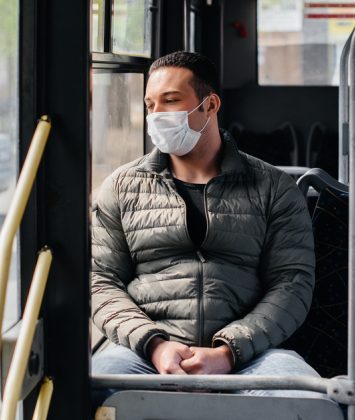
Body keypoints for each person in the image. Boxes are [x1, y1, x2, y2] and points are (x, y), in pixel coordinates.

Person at [91, 51, 319, 405]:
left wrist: (229, 350)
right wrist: (154, 345)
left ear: (209, 106)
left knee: (306, 399)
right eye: (150, 105)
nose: (156, 116)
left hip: (250, 355)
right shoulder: (121, 187)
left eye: (170, 101)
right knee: (94, 391)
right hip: (144, 352)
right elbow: (101, 281)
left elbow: (292, 283)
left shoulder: (273, 188)